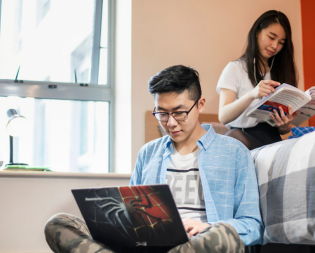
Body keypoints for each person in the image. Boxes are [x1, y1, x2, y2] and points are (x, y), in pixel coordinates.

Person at [44, 65, 263, 253]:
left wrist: (208, 227)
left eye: (179, 112)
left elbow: (253, 225)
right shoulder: (148, 153)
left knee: (224, 235)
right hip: (147, 244)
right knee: (58, 224)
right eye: (162, 113)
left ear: (201, 104)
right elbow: (131, 216)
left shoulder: (234, 152)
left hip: (199, 244)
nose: (171, 123)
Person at [217, 10, 299, 150]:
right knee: (233, 137)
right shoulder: (235, 68)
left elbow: (283, 132)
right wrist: (252, 94)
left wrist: (285, 126)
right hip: (242, 136)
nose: (275, 46)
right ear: (257, 32)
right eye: (271, 37)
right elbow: (223, 116)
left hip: (271, 138)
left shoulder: (281, 72)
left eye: (281, 42)